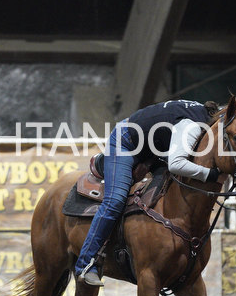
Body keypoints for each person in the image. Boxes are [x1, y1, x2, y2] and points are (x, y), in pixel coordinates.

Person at [75, 99, 223, 286]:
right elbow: (176, 164)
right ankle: (86, 264)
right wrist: (211, 174)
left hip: (151, 146)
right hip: (125, 141)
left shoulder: (201, 114)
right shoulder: (192, 126)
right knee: (115, 201)